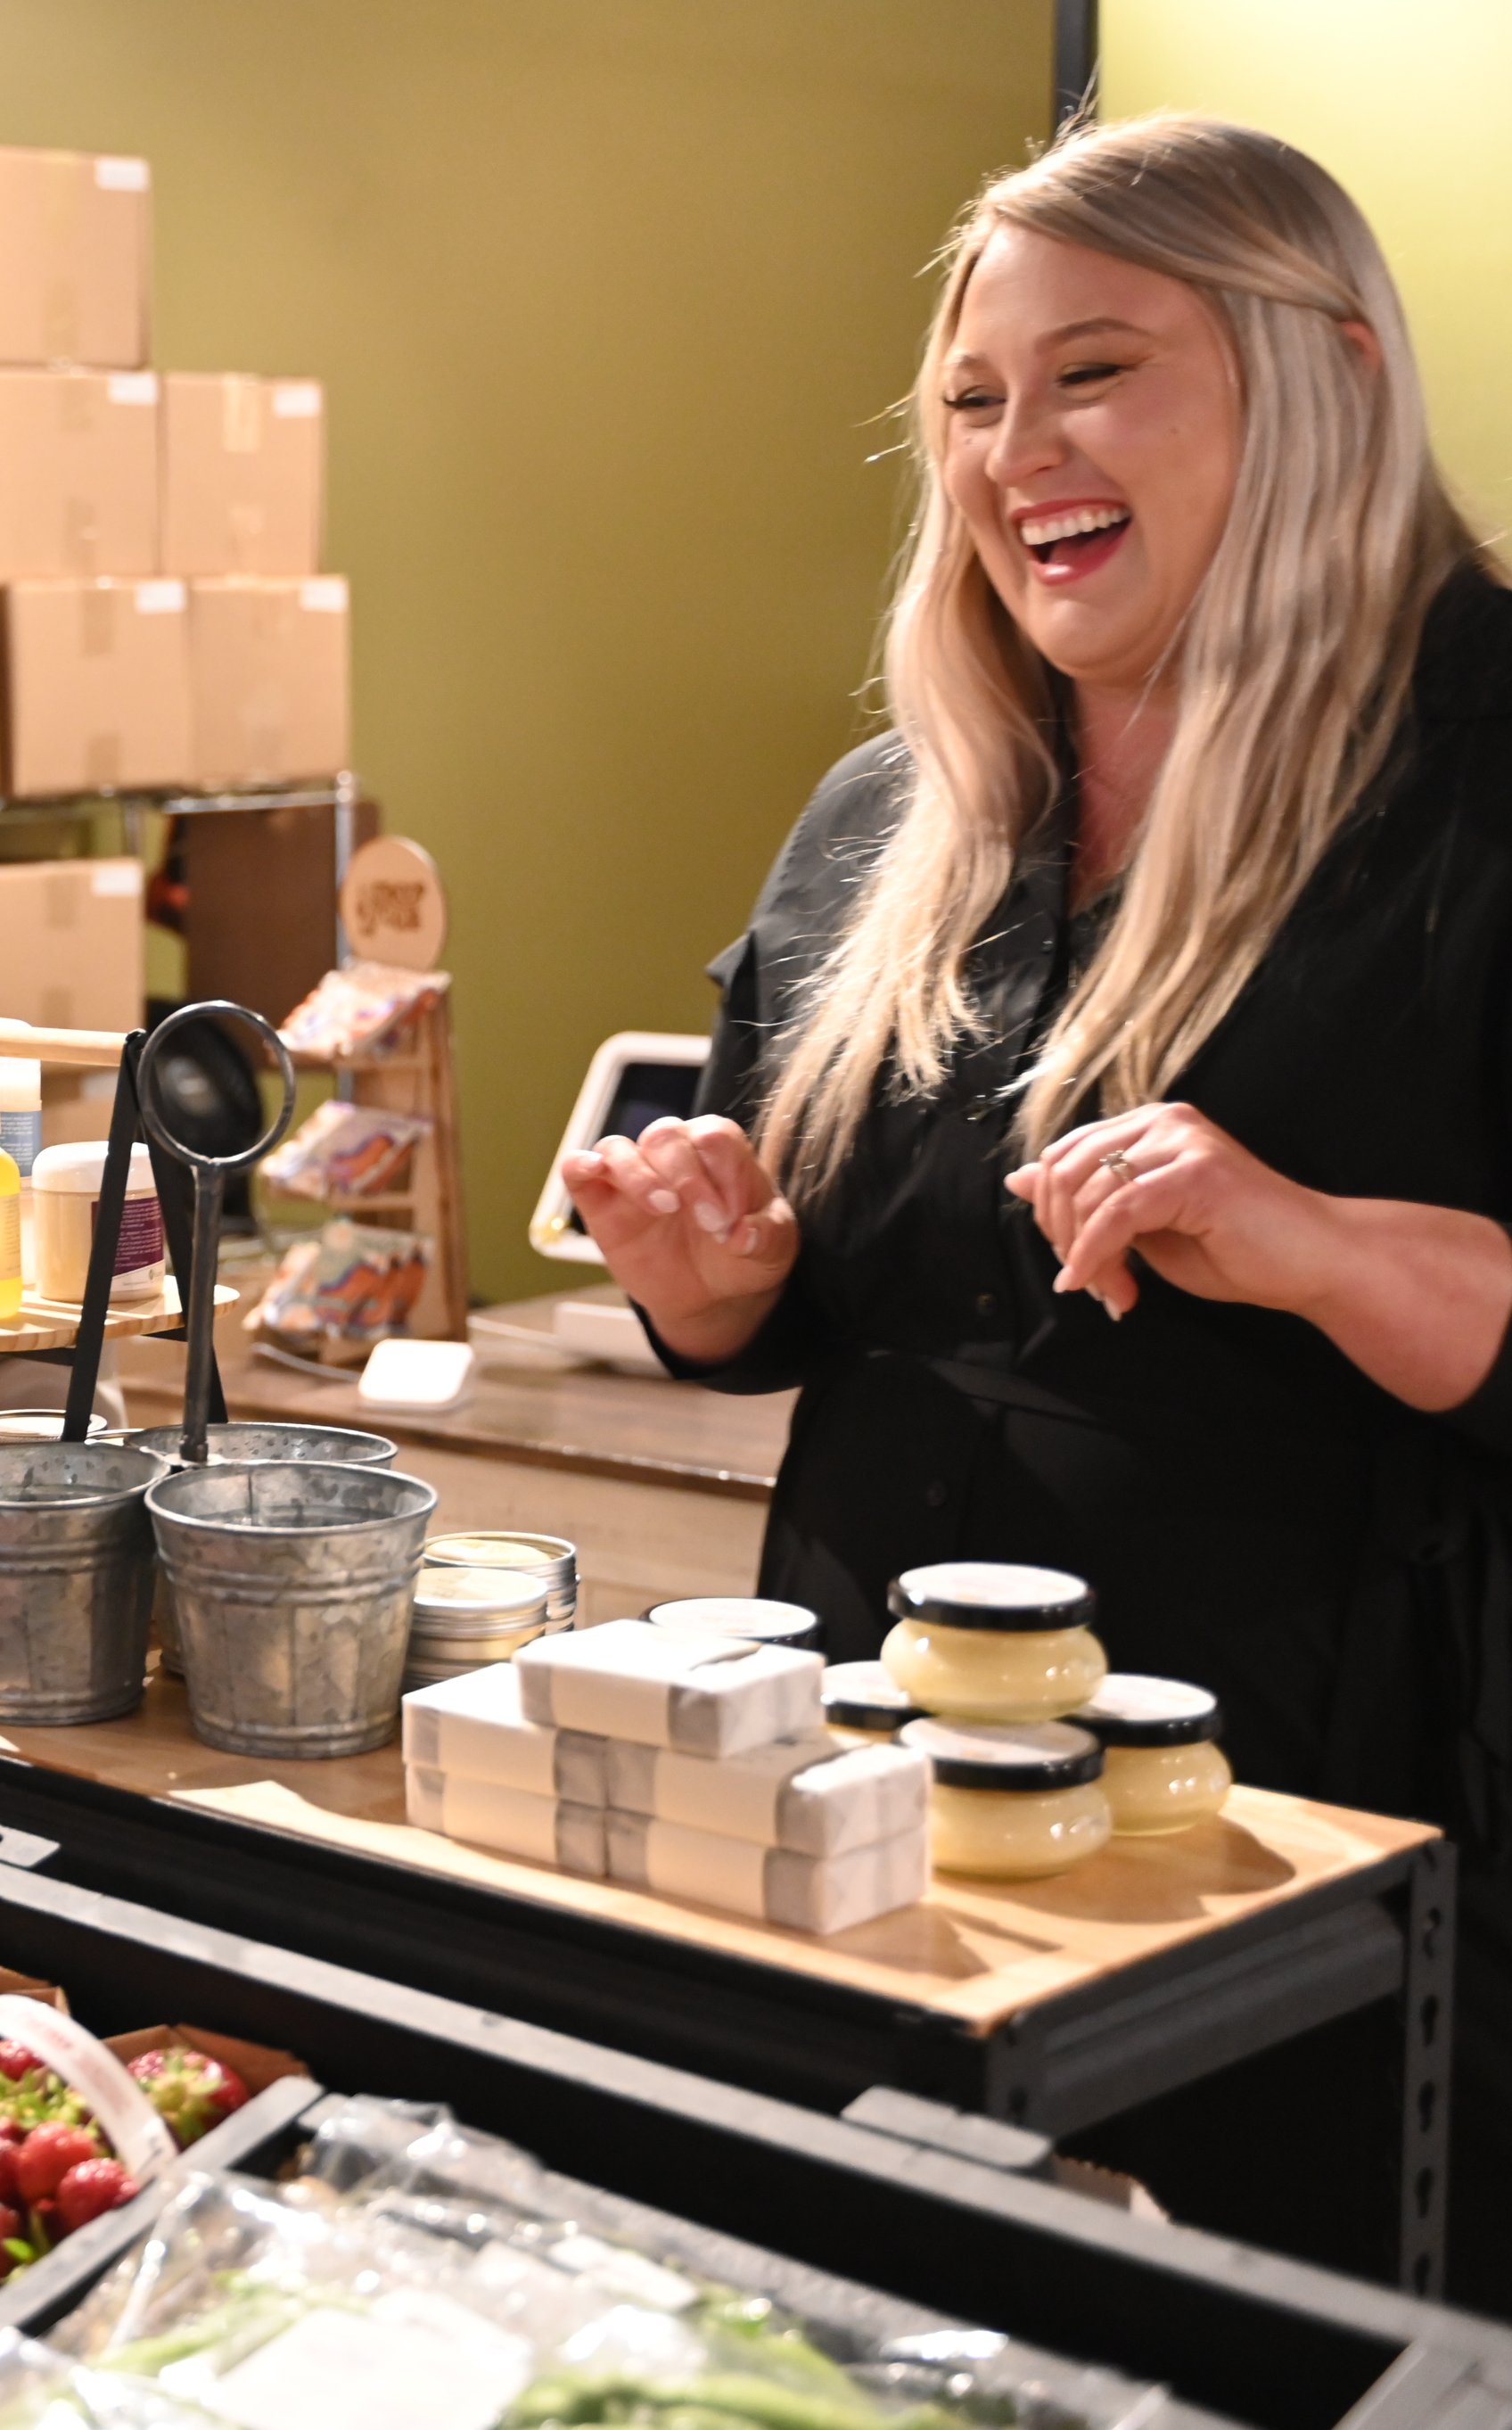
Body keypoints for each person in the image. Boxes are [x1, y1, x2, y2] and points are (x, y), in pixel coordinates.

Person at [560, 115, 1512, 2294]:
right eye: (970, 402)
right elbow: (810, 1299)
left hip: (1322, 1865)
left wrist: (1317, 1242)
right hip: (881, 1816)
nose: (1011, 453)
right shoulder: (895, 809)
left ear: (1331, 370)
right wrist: (714, 1284)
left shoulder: (1482, 766)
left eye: (1092, 372)